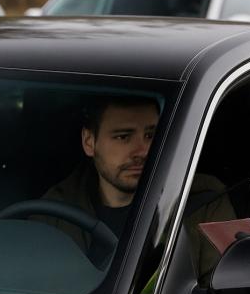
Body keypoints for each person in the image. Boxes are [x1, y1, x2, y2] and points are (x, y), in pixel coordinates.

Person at [39, 95, 160, 251]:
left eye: (150, 136)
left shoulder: (190, 208)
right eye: (123, 137)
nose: (143, 151)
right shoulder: (52, 216)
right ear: (89, 141)